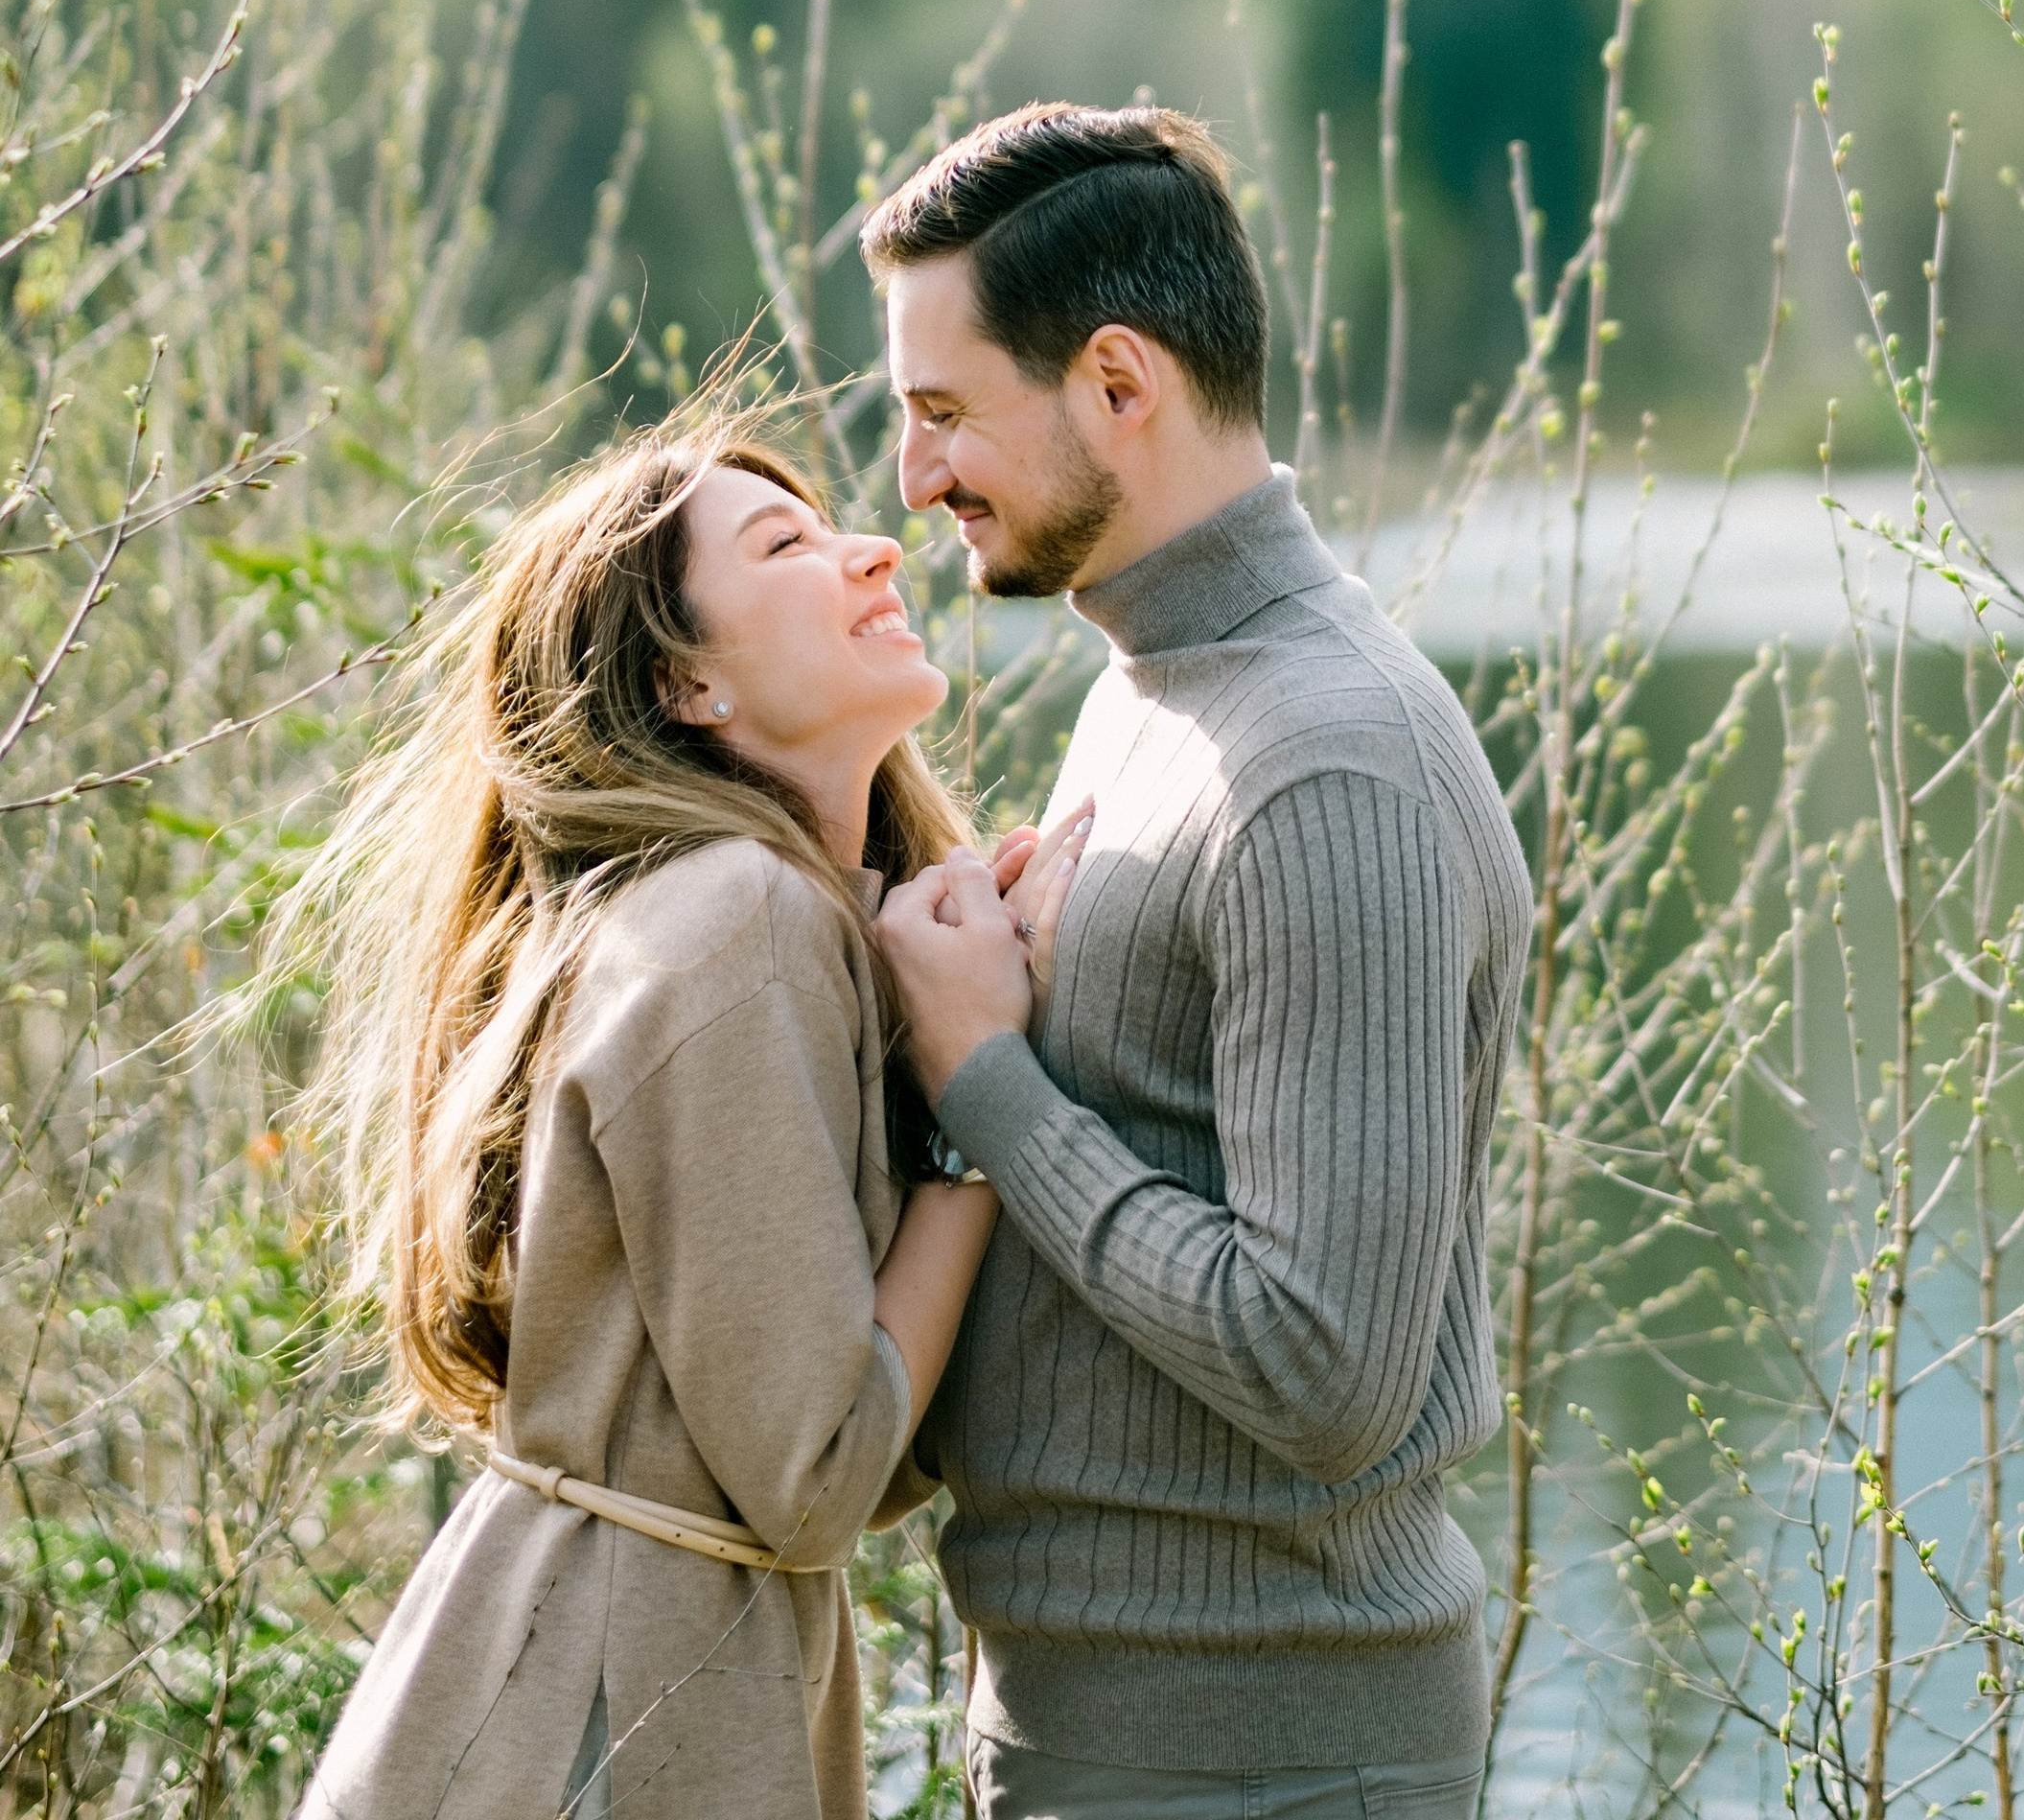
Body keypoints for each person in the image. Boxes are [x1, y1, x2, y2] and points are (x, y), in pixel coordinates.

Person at [865, 103, 1535, 1820]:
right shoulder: (1153, 685)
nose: (915, 477)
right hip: (1108, 1728)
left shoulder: (1326, 761)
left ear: (1115, 382)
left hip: (1263, 1760)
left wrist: (987, 1081)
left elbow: (1323, 1372)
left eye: (944, 414)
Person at [289, 412, 1084, 1820]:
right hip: (598, 1715)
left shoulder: (782, 924)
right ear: (685, 685)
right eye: (789, 546)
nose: (879, 548)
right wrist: (977, 1101)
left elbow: (858, 1443)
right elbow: (820, 1480)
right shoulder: (738, 924)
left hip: (611, 1666)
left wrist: (944, 1016)